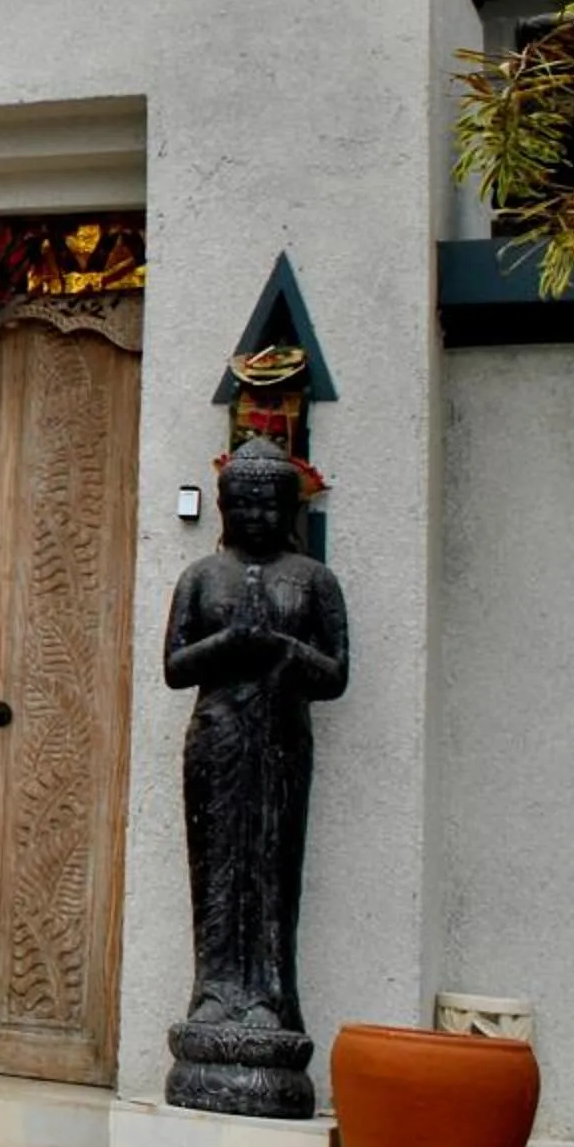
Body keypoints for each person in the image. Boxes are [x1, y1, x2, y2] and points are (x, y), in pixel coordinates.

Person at [164, 437, 348, 1046]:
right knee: (217, 869)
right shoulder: (201, 577)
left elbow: (336, 675)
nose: (257, 518)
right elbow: (175, 666)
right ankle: (213, 993)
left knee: (271, 868)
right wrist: (229, 643)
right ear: (223, 508)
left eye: (270, 506)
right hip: (217, 740)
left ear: (290, 509)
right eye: (244, 505)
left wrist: (281, 646)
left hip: (280, 743)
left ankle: (270, 997)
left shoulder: (313, 581)